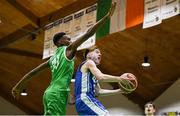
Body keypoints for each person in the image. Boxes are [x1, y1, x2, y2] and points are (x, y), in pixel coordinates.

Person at [11, 2, 117, 115]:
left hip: (52, 93)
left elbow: (33, 72)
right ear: (60, 42)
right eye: (68, 39)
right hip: (57, 94)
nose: (70, 41)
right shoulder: (68, 50)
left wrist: (18, 86)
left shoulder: (52, 59)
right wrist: (106, 17)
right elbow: (88, 33)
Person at [74, 45, 137, 115]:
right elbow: (101, 77)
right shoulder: (89, 62)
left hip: (81, 102)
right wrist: (120, 79)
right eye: (97, 52)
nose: (100, 54)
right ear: (88, 54)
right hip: (85, 99)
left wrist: (120, 91)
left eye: (100, 53)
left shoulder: (91, 74)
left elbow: (99, 92)